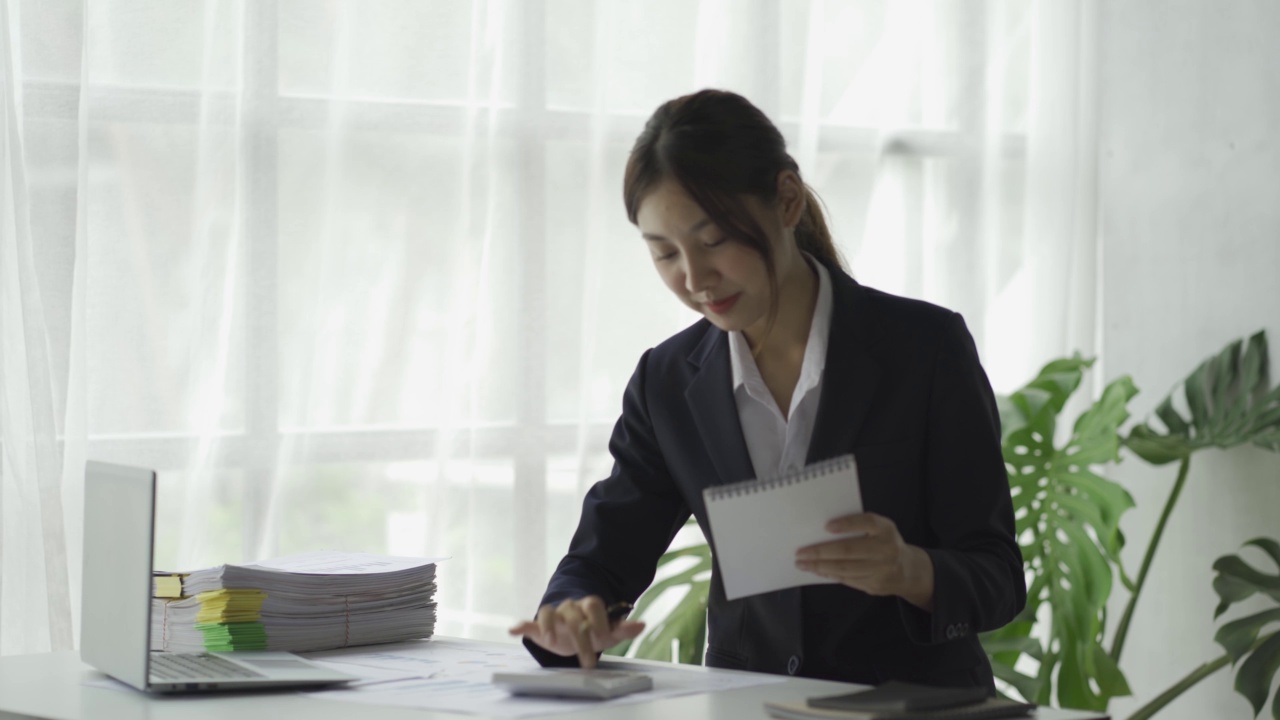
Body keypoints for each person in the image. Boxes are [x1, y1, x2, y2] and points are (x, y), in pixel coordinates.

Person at [508, 89, 1025, 691]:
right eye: (665, 254)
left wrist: (911, 570)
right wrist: (573, 614)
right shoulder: (668, 382)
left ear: (786, 199)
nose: (695, 279)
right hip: (746, 705)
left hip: (914, 705)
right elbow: (603, 557)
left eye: (713, 241)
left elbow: (998, 577)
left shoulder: (924, 349)